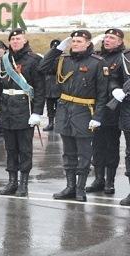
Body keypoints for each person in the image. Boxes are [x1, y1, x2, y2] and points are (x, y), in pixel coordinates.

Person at [38, 30, 107, 202]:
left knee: (84, 153)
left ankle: (80, 188)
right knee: (68, 153)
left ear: (88, 43)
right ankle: (69, 186)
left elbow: (102, 93)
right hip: (65, 110)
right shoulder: (64, 60)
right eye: (73, 41)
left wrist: (97, 117)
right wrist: (57, 50)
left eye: (78, 41)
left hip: (84, 111)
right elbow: (43, 67)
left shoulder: (97, 63)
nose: (74, 44)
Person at [0, 29, 45, 197]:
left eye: (18, 38)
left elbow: (40, 88)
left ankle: (23, 183)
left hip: (25, 110)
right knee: (10, 148)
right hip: (7, 109)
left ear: (25, 40)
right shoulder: (4, 60)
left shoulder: (34, 60)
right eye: (13, 39)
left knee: (24, 149)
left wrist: (37, 112)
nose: (15, 41)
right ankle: (12, 182)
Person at [87, 28, 126, 195]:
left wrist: (116, 88)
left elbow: (125, 81)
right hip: (97, 108)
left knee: (111, 146)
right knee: (97, 146)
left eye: (112, 37)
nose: (107, 40)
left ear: (119, 41)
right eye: (106, 37)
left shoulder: (123, 57)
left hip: (113, 110)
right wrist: (90, 46)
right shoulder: (98, 56)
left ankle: (110, 181)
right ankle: (98, 179)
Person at [43, 39, 62, 131]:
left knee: (59, 107)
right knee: (49, 107)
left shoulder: (63, 58)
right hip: (48, 85)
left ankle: (58, 123)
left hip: (58, 84)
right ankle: (50, 123)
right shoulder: (47, 57)